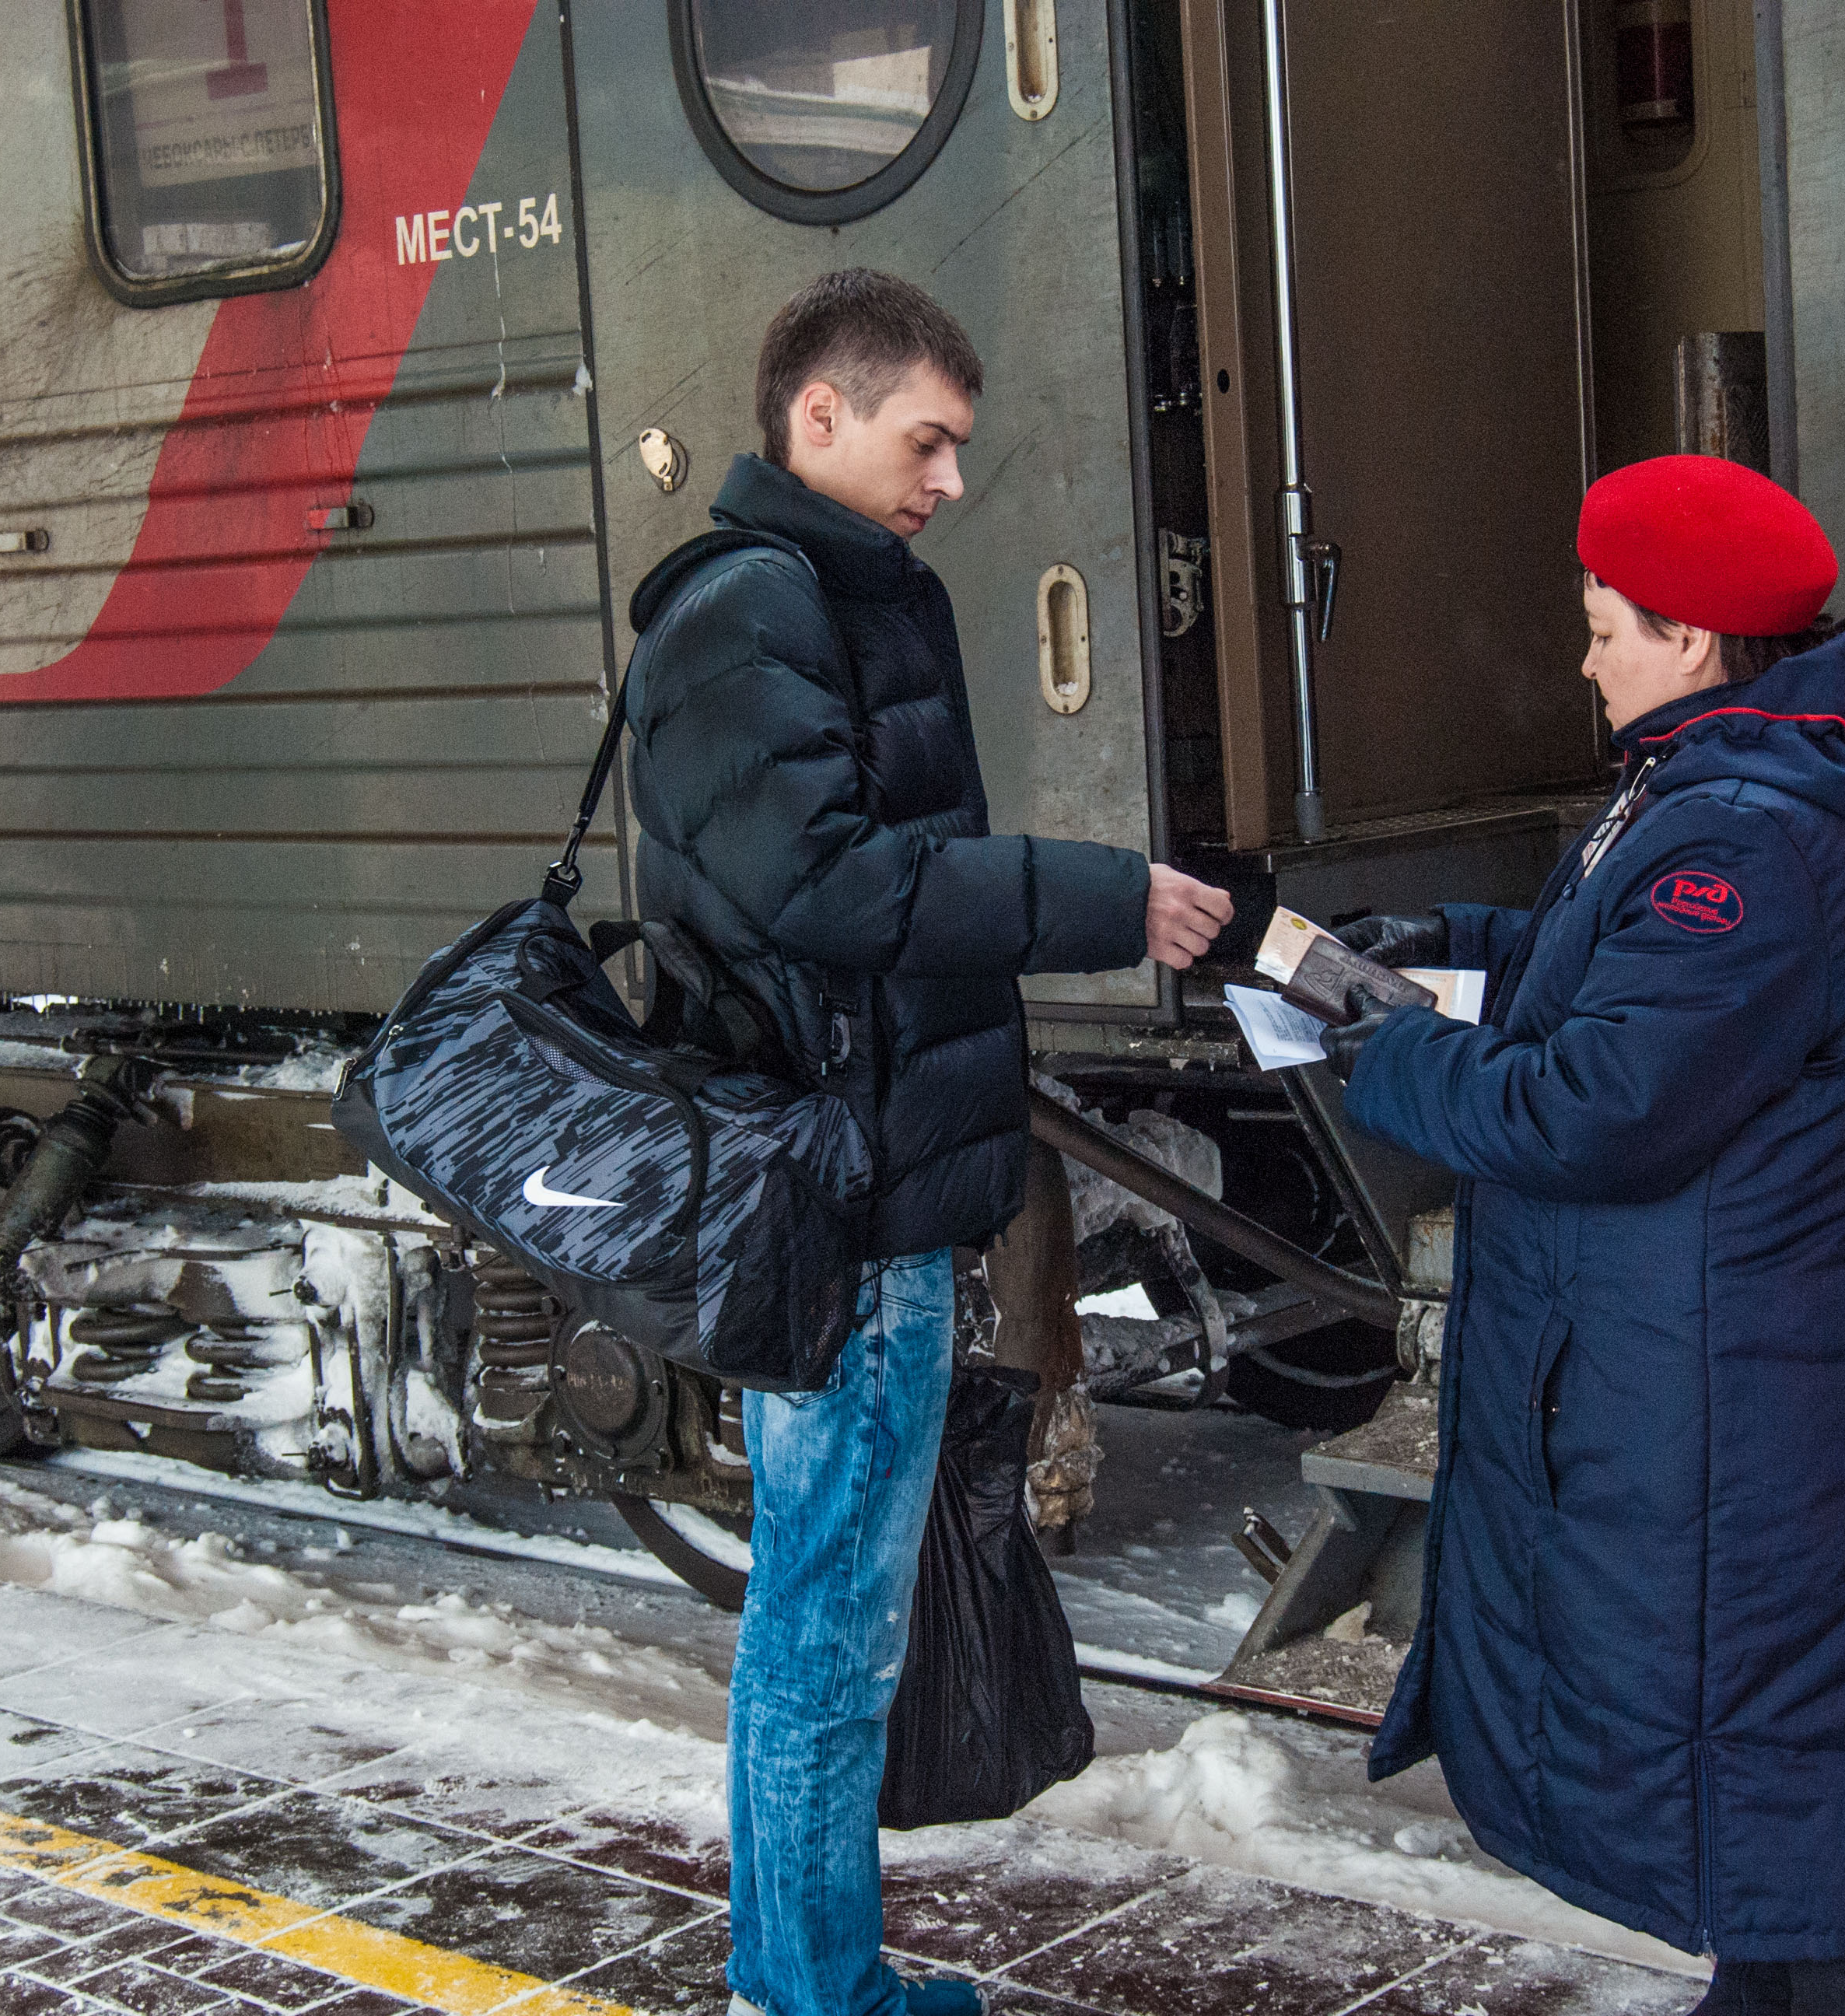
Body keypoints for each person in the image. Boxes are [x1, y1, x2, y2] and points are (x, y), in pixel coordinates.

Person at [620, 268, 1235, 2016]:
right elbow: (825, 885)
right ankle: (816, 1997)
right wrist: (1106, 898)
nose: (950, 479)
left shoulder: (826, 595)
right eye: (927, 440)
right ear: (818, 417)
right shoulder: (755, 615)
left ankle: (799, 1974)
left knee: (816, 1620)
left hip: (868, 1172)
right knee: (827, 1633)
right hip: (846, 1197)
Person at [1319, 455, 1845, 2016]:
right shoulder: (1753, 775)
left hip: (1764, 1398)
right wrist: (1449, 950)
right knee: (1785, 1740)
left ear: (1689, 639)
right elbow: (1614, 971)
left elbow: (1597, 1102)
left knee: (1790, 1733)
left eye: (1605, 623)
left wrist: (1387, 1056)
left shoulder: (1746, 834)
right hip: (1769, 1368)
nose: (1585, 653)